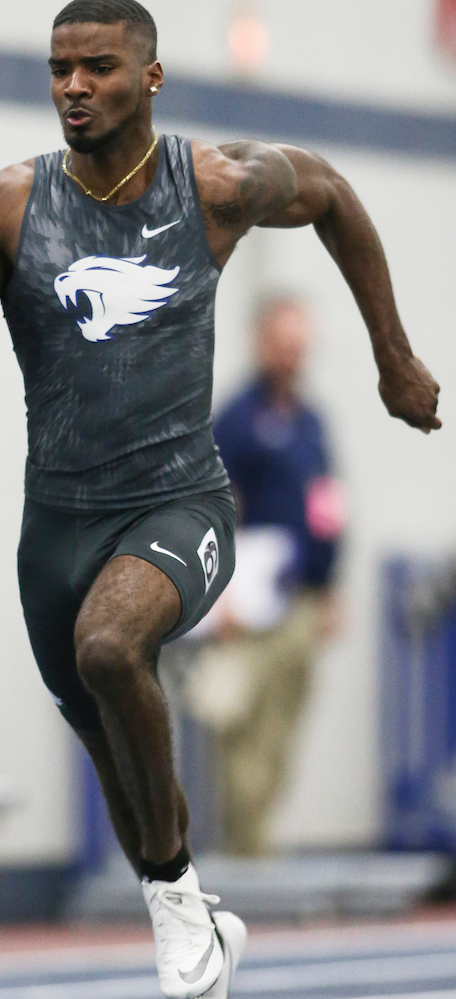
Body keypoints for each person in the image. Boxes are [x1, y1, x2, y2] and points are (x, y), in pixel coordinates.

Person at [0, 0, 440, 999]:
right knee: (131, 782)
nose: (73, 87)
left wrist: (392, 355)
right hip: (55, 528)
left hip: (179, 506)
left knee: (111, 649)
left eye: (97, 67)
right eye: (59, 68)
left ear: (149, 76)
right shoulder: (1, 206)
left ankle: (179, 912)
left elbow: (334, 196)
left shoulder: (217, 185)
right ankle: (198, 954)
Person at [190, 294, 346, 856]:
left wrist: (331, 589)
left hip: (300, 599)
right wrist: (218, 595)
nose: (292, 355)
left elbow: (327, 505)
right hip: (249, 603)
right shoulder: (236, 421)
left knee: (282, 729)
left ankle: (257, 843)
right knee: (241, 730)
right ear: (261, 343)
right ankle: (246, 852)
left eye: (300, 345)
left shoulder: (312, 424)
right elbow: (214, 506)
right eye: (283, 344)